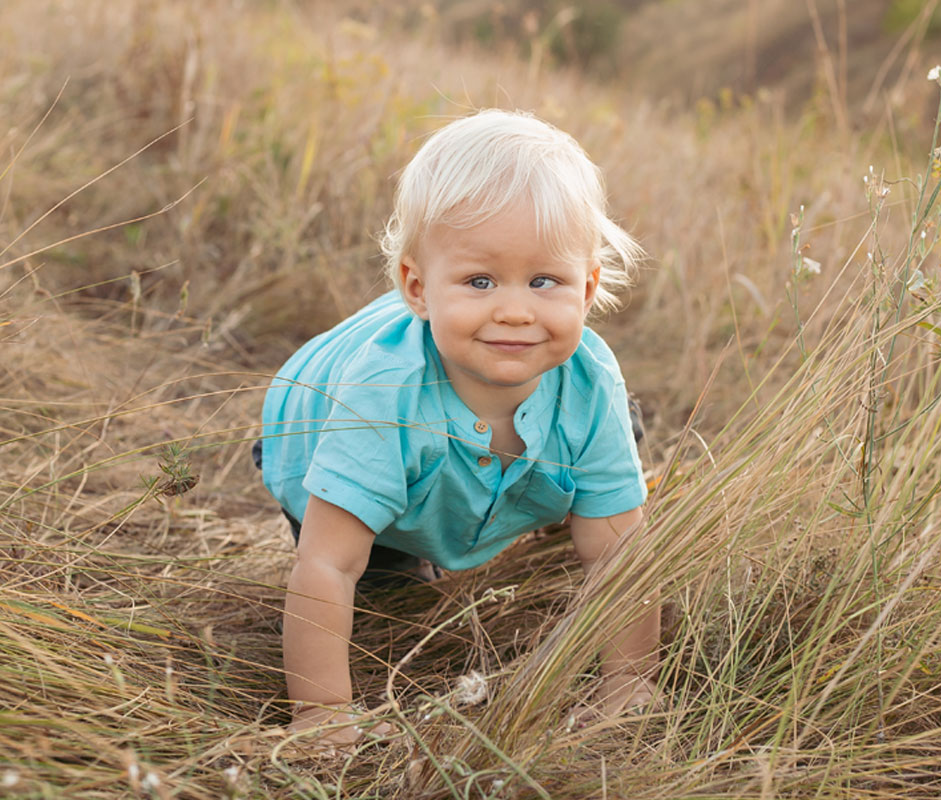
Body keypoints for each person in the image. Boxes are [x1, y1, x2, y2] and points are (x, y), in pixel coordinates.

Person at [258, 108, 658, 749]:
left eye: (544, 280)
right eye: (479, 280)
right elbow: (326, 565)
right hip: (315, 436)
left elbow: (619, 556)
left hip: (515, 445)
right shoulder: (382, 394)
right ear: (417, 288)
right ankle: (412, 540)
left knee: (606, 480)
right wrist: (321, 716)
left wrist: (629, 685)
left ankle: (549, 495)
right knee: (385, 584)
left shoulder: (590, 382)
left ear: (587, 290)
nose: (514, 309)